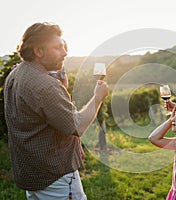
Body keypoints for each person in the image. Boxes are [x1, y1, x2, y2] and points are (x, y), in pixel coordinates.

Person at [4, 22, 108, 200]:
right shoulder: (45, 85)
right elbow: (78, 126)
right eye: (58, 47)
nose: (65, 52)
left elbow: (47, 121)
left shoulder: (16, 74)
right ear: (38, 51)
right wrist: (98, 97)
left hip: (32, 174)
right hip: (55, 177)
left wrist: (62, 89)